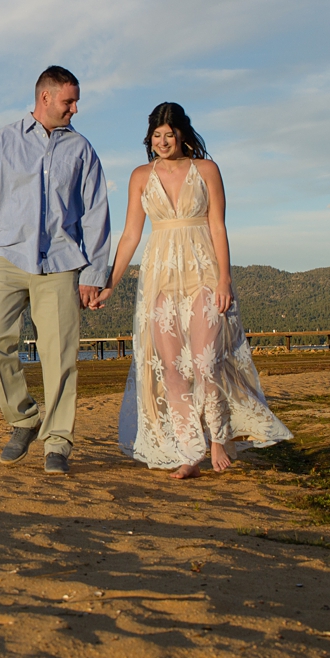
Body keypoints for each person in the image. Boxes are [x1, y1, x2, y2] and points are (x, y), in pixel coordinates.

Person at [95, 102, 292, 479]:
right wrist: (109, 284)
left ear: (183, 134)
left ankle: (218, 437)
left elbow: (218, 226)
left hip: (202, 270)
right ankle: (190, 450)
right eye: (157, 136)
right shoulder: (140, 176)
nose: (163, 142)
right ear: (149, 138)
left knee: (206, 362)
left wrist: (225, 280)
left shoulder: (206, 170)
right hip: (159, 276)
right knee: (171, 368)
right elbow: (131, 236)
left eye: (170, 135)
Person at [0, 66, 112, 475]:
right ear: (45, 98)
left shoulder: (81, 151)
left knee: (60, 354)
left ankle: (57, 440)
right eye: (69, 101)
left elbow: (96, 214)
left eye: (75, 102)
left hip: (60, 262)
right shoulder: (4, 141)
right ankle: (24, 417)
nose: (75, 109)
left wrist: (95, 273)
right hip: (5, 257)